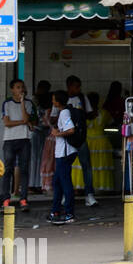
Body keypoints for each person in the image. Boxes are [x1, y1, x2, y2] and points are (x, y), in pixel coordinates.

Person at [0, 78, 36, 209]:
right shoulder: (7, 103)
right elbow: (7, 123)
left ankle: (23, 199)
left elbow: (26, 118)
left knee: (24, 169)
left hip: (24, 139)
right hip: (9, 139)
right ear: (12, 89)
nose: (21, 89)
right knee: (7, 168)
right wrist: (23, 123)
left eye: (22, 87)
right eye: (18, 87)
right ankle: (5, 199)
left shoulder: (28, 103)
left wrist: (21, 103)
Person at [65, 75, 97, 207]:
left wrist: (85, 113)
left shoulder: (83, 98)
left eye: (79, 86)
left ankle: (89, 194)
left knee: (86, 166)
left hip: (81, 137)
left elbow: (90, 115)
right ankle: (65, 195)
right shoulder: (63, 98)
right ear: (69, 86)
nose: (78, 89)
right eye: (76, 86)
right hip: (66, 138)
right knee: (65, 167)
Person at [48, 90, 77, 225]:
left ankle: (69, 212)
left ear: (58, 102)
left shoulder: (64, 113)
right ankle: (55, 210)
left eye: (53, 100)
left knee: (64, 183)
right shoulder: (63, 112)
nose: (52, 102)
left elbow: (71, 130)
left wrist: (57, 133)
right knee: (58, 183)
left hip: (65, 153)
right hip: (62, 152)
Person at [83, 91, 117, 195]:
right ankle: (95, 188)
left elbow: (113, 123)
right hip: (94, 142)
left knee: (93, 165)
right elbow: (113, 122)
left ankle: (95, 188)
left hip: (96, 142)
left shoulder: (103, 113)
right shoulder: (102, 113)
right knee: (93, 165)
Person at [28, 80, 52, 192]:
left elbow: (31, 117)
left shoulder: (34, 101)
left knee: (34, 158)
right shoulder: (49, 101)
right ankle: (40, 183)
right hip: (46, 132)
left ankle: (33, 184)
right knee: (44, 158)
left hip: (37, 131)